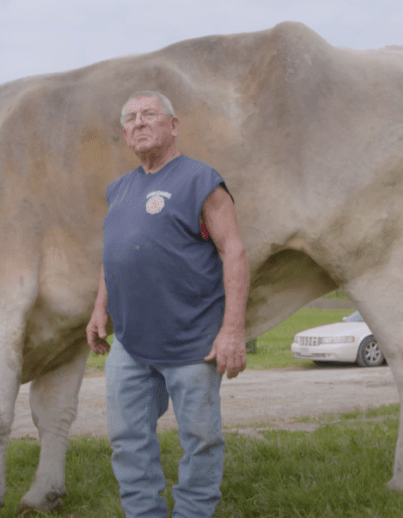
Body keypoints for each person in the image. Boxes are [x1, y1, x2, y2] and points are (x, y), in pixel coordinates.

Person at [86, 91, 249, 517]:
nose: (138, 123)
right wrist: (99, 308)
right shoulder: (118, 189)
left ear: (173, 125)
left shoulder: (200, 180)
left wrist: (232, 330)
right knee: (127, 440)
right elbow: (113, 254)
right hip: (130, 343)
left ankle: (194, 512)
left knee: (200, 439)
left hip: (193, 341)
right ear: (124, 133)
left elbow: (234, 250)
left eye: (149, 115)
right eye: (130, 119)